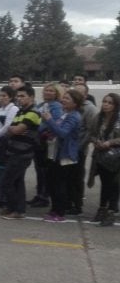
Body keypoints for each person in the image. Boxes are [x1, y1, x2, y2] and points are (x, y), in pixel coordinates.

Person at [40, 89, 83, 222]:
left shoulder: (74, 116)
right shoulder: (64, 114)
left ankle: (60, 212)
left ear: (75, 104)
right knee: (52, 183)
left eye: (67, 99)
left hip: (65, 156)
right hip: (55, 153)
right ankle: (54, 210)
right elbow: (56, 131)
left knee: (59, 185)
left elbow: (63, 133)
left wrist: (49, 120)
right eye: (63, 97)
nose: (63, 100)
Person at [0, 85, 41, 219]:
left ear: (32, 97)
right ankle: (18, 209)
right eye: (18, 96)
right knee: (17, 182)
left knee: (7, 181)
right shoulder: (21, 111)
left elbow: (15, 130)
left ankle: (14, 208)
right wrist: (13, 128)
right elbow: (10, 129)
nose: (19, 98)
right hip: (14, 151)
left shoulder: (33, 113)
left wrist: (13, 128)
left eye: (23, 96)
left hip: (23, 153)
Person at [87, 93, 120, 227]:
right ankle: (102, 209)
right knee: (105, 184)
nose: (106, 104)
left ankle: (111, 212)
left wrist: (110, 142)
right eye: (104, 102)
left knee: (114, 185)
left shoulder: (119, 119)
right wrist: (96, 142)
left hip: (116, 157)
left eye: (110, 103)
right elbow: (92, 134)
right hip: (101, 156)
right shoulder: (99, 118)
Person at [30, 83, 63, 208]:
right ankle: (39, 194)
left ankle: (45, 196)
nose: (48, 92)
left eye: (51, 91)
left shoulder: (56, 106)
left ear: (56, 94)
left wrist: (36, 128)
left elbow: (53, 123)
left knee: (45, 171)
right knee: (39, 170)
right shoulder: (41, 105)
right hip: (37, 142)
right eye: (46, 90)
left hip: (46, 142)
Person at [0, 86, 19, 208]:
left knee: (5, 173)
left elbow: (7, 127)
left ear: (11, 97)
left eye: (4, 96)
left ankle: (7, 198)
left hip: (4, 144)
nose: (2, 98)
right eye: (0, 96)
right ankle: (1, 196)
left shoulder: (13, 109)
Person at [71, 82, 98, 215]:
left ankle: (77, 205)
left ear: (86, 94)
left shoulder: (90, 109)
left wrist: (80, 146)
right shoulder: (71, 106)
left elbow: (91, 130)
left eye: (80, 92)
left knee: (77, 177)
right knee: (67, 177)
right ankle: (69, 202)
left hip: (80, 149)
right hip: (69, 148)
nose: (77, 93)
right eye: (74, 91)